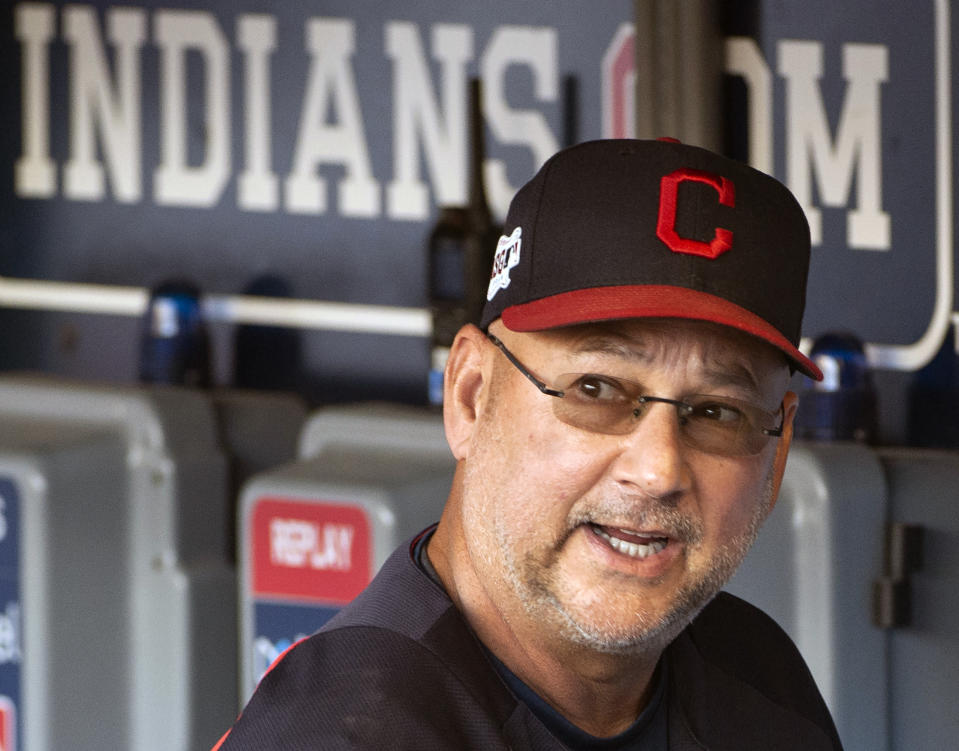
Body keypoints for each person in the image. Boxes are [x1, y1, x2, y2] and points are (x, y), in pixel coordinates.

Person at [214, 139, 843, 750]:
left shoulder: (761, 684)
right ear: (471, 395)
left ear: (777, 453)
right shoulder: (348, 733)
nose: (657, 469)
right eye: (595, 387)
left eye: (715, 411)